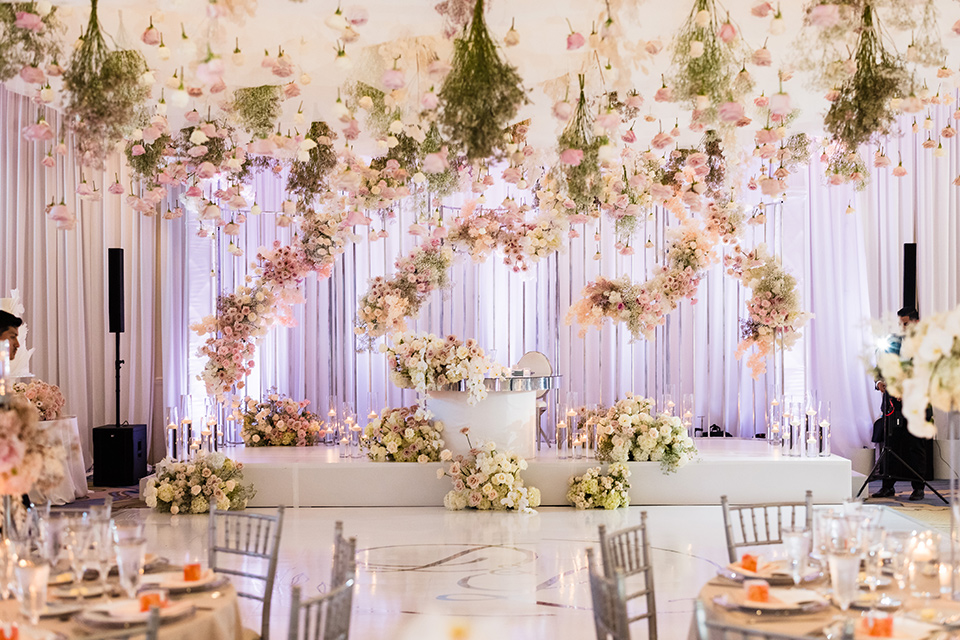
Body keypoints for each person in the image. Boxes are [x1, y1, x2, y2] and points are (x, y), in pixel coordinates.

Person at [871, 307, 933, 501]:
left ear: (915, 322)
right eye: (900, 323)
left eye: (905, 323)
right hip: (892, 404)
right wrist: (879, 383)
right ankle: (887, 486)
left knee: (915, 446)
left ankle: (918, 488)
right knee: (891, 444)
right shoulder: (892, 342)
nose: (902, 327)